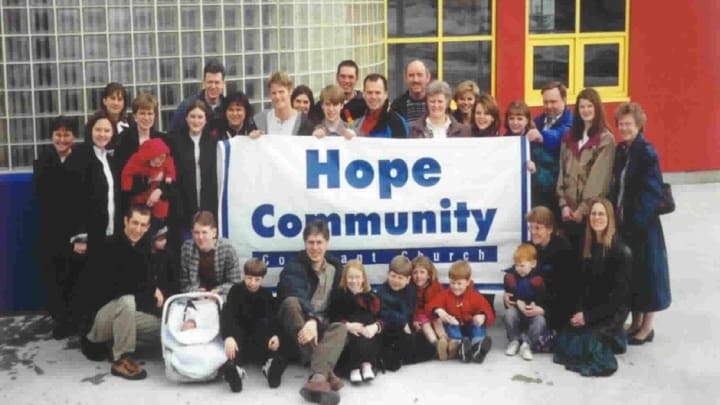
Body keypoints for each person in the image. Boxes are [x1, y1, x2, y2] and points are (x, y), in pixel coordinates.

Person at [75, 205, 162, 380]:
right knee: (127, 300)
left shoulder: (143, 247)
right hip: (98, 321)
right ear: (125, 221)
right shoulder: (109, 246)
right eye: (135, 223)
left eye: (143, 225)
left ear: (148, 226)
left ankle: (116, 342)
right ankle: (121, 359)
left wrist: (153, 289)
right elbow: (123, 288)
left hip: (124, 314)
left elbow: (142, 283)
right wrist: (151, 289)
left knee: (163, 329)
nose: (138, 229)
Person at [610, 102, 671, 345]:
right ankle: (635, 323)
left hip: (643, 226)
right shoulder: (622, 150)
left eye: (629, 124)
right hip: (625, 223)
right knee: (632, 275)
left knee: (648, 275)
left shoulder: (647, 151)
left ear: (639, 125)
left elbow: (652, 191)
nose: (624, 128)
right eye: (621, 124)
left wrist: (636, 221)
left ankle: (647, 327)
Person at [553, 197, 631, 377]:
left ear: (609, 218)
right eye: (594, 214)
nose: (597, 218)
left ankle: (615, 339)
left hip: (611, 315)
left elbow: (618, 301)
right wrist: (579, 313)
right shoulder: (587, 245)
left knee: (589, 345)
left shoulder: (621, 251)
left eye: (601, 214)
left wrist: (587, 317)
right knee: (564, 339)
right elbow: (582, 286)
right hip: (592, 309)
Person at [276, 219, 346, 405]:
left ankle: (317, 378)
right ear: (305, 243)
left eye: (319, 242)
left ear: (327, 243)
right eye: (311, 243)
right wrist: (311, 319)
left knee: (341, 328)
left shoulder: (335, 268)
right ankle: (325, 373)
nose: (315, 248)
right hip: (297, 323)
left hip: (319, 325)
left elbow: (339, 303)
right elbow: (296, 293)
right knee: (290, 303)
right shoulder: (294, 266)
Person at [33, 115, 83, 339]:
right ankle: (60, 320)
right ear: (52, 136)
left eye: (67, 134)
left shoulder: (83, 159)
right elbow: (42, 195)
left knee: (75, 274)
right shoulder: (42, 161)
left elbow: (86, 196)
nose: (62, 139)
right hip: (50, 228)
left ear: (74, 136)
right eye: (58, 134)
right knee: (53, 275)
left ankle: (76, 318)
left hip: (76, 230)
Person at [556, 87, 616, 257]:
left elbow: (599, 179)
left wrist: (582, 210)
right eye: (582, 107)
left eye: (590, 106)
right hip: (567, 212)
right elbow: (562, 171)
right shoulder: (569, 137)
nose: (586, 110)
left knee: (587, 258)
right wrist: (563, 204)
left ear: (597, 108)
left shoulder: (605, 139)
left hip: (589, 214)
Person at [220, 258, 287, 392]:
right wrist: (228, 337)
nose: (252, 283)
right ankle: (235, 370)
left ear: (262, 279)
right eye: (249, 278)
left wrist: (275, 335)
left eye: (257, 280)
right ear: (244, 276)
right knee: (236, 331)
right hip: (240, 340)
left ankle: (270, 368)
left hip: (258, 341)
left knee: (264, 326)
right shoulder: (235, 291)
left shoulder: (265, 294)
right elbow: (228, 316)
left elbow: (272, 318)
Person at [166, 100, 218, 241]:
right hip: (183, 211)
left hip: (208, 210)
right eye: (192, 116)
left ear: (206, 120)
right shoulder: (174, 141)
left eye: (200, 117)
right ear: (186, 118)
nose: (196, 121)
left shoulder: (214, 143)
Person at [427, 260, 495, 363]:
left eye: (459, 283)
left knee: (478, 327)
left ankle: (477, 347)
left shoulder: (474, 296)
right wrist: (438, 310)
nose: (455, 286)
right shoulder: (444, 295)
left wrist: (483, 316)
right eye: (452, 283)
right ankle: (462, 348)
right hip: (455, 328)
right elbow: (430, 306)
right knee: (452, 326)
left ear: (467, 282)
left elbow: (488, 310)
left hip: (469, 325)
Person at [328, 260, 382, 384]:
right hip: (349, 333)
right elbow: (333, 315)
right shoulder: (338, 295)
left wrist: (374, 327)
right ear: (345, 278)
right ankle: (354, 368)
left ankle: (367, 364)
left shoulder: (370, 296)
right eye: (350, 277)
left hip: (366, 333)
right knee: (355, 329)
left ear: (363, 278)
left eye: (357, 277)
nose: (354, 281)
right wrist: (348, 325)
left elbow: (378, 316)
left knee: (367, 323)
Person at [376, 255, 434, 370]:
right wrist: (402, 321)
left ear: (408, 279)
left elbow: (409, 309)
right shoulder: (382, 292)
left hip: (406, 330)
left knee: (430, 349)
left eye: (400, 278)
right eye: (393, 276)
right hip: (388, 330)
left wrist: (412, 322)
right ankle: (390, 357)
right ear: (388, 274)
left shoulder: (410, 290)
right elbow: (382, 313)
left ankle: (399, 357)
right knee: (392, 342)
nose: (396, 281)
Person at [527, 81, 573, 210]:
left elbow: (561, 135)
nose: (548, 106)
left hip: (559, 191)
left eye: (553, 102)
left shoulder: (571, 121)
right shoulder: (538, 120)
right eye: (545, 102)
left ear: (564, 100)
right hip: (538, 187)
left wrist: (540, 135)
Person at [503, 243, 548, 361]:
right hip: (518, 312)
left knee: (540, 320)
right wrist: (516, 301)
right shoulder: (511, 277)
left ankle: (527, 344)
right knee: (509, 313)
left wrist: (535, 304)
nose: (519, 269)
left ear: (533, 264)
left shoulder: (539, 279)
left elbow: (544, 298)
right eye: (516, 265)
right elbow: (509, 299)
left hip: (532, 313)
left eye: (522, 266)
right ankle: (514, 341)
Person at [179, 211, 241, 297]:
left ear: (214, 232)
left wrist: (218, 291)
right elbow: (183, 283)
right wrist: (195, 291)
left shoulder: (227, 249)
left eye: (204, 232)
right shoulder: (187, 248)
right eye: (196, 232)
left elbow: (235, 283)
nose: (200, 237)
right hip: (196, 297)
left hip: (221, 296)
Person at [120, 138, 176, 224]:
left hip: (158, 200)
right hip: (139, 203)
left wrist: (169, 176)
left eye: (162, 159)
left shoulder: (167, 159)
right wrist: (148, 179)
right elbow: (126, 174)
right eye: (155, 160)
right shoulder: (137, 160)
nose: (158, 163)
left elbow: (170, 172)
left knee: (159, 212)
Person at [113, 94, 165, 177]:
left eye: (150, 113)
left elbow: (169, 170)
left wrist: (160, 189)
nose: (146, 118)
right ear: (135, 116)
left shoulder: (163, 139)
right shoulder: (123, 139)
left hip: (157, 189)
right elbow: (119, 171)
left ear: (155, 116)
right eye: (142, 113)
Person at [250, 71, 314, 136]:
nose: (277, 97)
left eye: (281, 92)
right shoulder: (260, 121)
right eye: (273, 93)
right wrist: (252, 138)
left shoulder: (304, 123)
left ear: (290, 91)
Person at [169, 60, 225, 132]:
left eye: (217, 82)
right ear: (204, 83)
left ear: (223, 84)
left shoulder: (228, 108)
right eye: (209, 82)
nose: (213, 86)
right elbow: (172, 135)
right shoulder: (187, 107)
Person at [410, 256, 446, 358]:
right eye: (415, 272)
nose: (418, 276)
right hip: (421, 315)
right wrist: (414, 320)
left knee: (437, 321)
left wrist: (442, 311)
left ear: (429, 275)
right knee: (426, 326)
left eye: (422, 272)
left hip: (433, 312)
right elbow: (412, 307)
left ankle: (444, 341)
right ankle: (436, 344)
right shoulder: (411, 289)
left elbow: (443, 299)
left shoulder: (436, 286)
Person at [311, 60, 367, 124]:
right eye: (343, 76)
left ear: (357, 78)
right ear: (337, 77)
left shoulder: (364, 105)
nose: (346, 81)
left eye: (351, 77)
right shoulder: (323, 104)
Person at [355, 73, 408, 138]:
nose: (373, 97)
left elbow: (400, 147)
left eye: (377, 93)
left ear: (385, 95)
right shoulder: (356, 117)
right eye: (369, 92)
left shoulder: (396, 122)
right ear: (364, 94)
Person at [390, 59, 431, 123]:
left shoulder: (437, 104)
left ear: (427, 77)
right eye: (411, 75)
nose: (415, 80)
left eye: (419, 75)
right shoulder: (397, 106)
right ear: (405, 78)